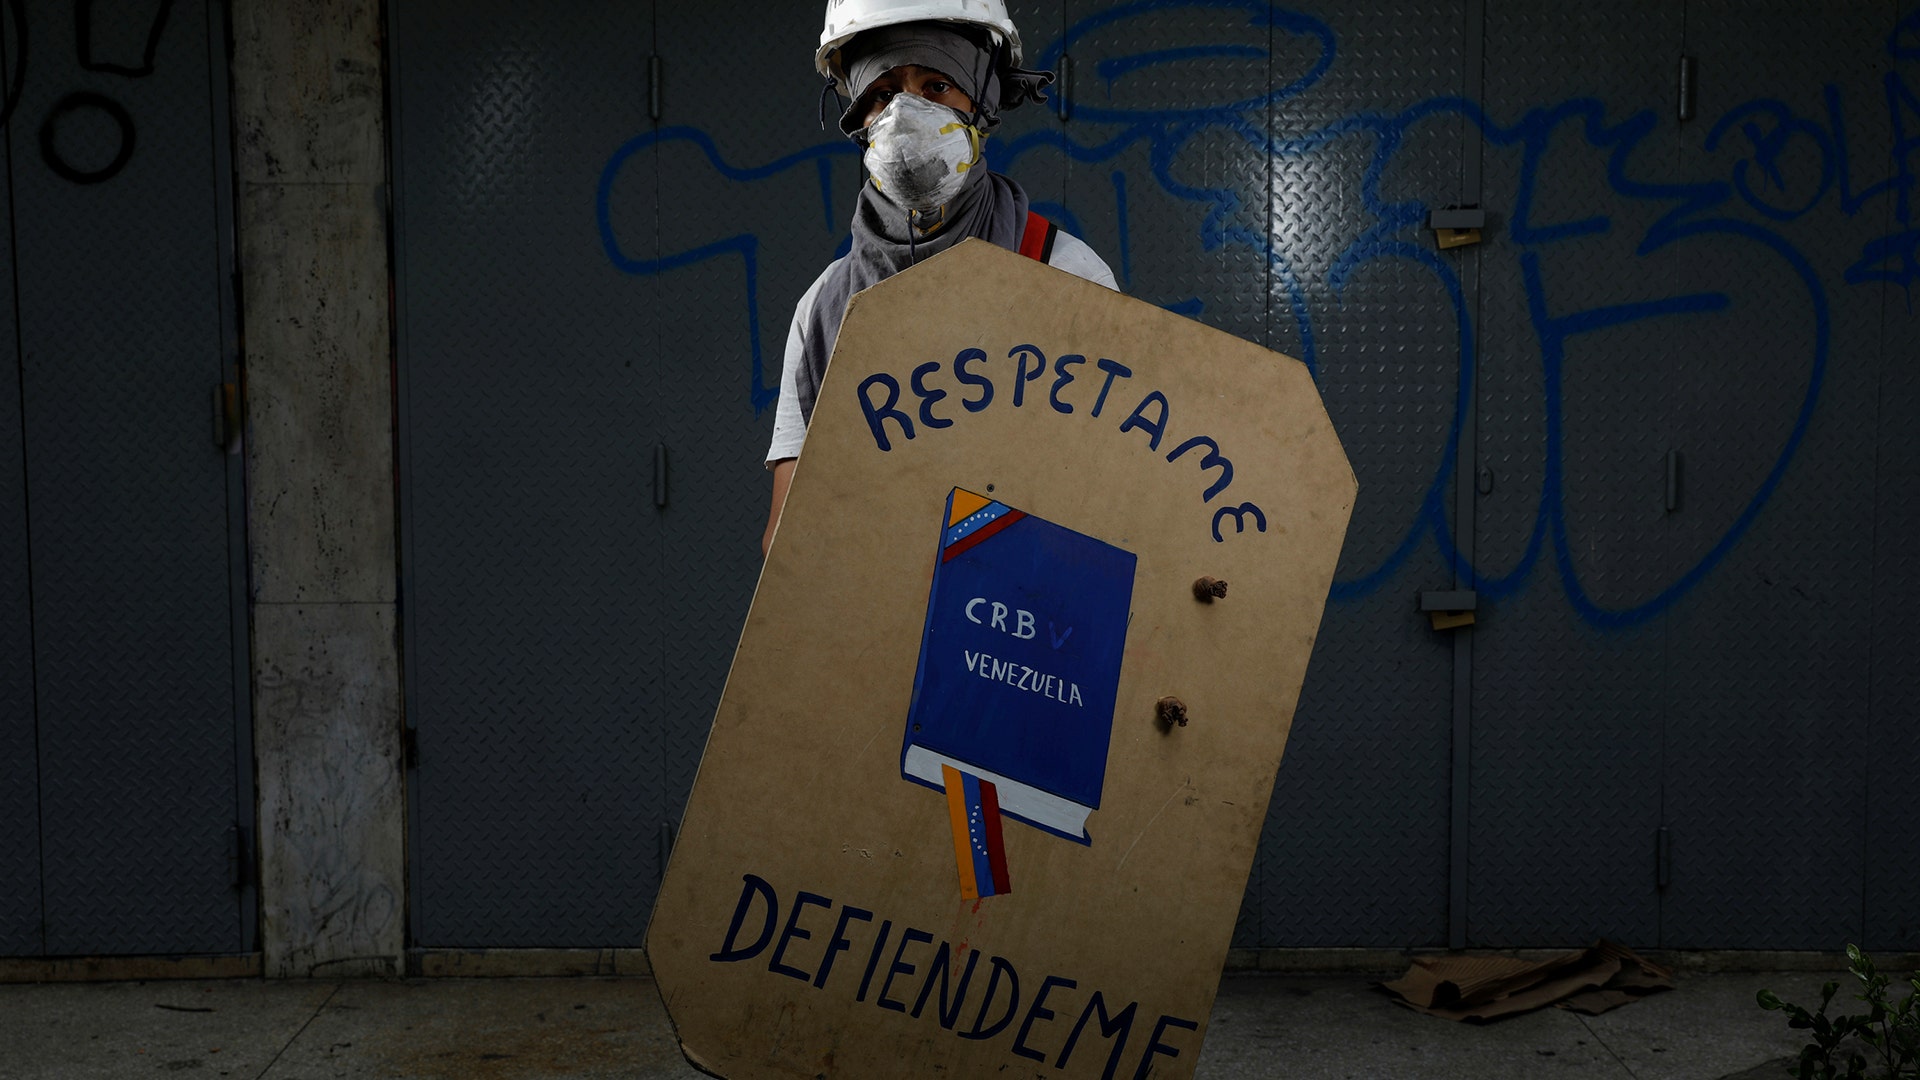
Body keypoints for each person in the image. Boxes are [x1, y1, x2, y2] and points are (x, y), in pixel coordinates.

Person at [762, 0, 1118, 554]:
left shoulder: (1063, 272)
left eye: (936, 86)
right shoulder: (826, 308)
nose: (905, 116)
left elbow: (1116, 500)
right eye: (881, 94)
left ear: (982, 101)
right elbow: (786, 541)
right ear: (857, 117)